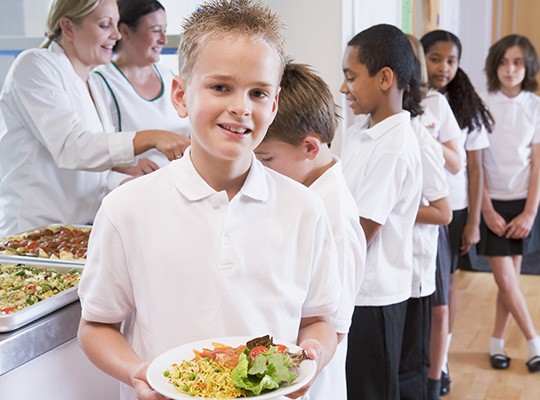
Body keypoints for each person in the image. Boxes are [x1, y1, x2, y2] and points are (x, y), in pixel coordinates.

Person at [77, 1, 341, 400]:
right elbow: (96, 326)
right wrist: (137, 371)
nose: (241, 107)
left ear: (274, 104)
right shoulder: (126, 209)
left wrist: (313, 358)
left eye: (258, 92)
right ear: (181, 96)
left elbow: (321, 319)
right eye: (221, 87)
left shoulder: (304, 208)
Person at [0, 0, 188, 237]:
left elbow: (93, 172)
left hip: (76, 230)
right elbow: (72, 147)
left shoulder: (92, 82)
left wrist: (144, 184)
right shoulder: (34, 65)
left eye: (116, 25)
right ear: (68, 28)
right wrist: (152, 138)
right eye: (104, 25)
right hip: (32, 231)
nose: (116, 34)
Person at [254, 61, 367, 400]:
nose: (258, 170)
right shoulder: (299, 194)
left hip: (311, 385)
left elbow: (334, 327)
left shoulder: (336, 219)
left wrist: (295, 369)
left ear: (310, 148)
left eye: (267, 159)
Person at [340, 23, 422, 399]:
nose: (344, 87)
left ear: (385, 78)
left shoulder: (393, 147)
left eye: (351, 77)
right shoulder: (363, 131)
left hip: (374, 299)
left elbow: (361, 232)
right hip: (354, 292)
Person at [421, 29, 494, 396]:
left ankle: (442, 361)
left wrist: (475, 222)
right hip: (422, 207)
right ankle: (427, 360)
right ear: (421, 58)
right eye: (435, 58)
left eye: (451, 60)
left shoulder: (467, 106)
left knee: (447, 291)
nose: (443, 67)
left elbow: (476, 169)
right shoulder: (415, 100)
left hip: (457, 209)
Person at [479, 34, 540, 373]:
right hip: (492, 202)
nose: (510, 69)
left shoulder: (535, 105)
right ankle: (534, 342)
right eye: (503, 62)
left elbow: (538, 164)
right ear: (495, 66)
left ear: (527, 66)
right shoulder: (484, 103)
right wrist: (486, 208)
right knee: (506, 278)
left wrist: (530, 212)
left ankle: (496, 343)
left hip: (523, 203)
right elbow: (478, 161)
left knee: (509, 280)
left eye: (517, 62)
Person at [407, 33, 462, 399]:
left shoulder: (436, 106)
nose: (441, 67)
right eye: (433, 58)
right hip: (404, 226)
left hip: (431, 219)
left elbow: (458, 163)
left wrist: (424, 141)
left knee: (439, 307)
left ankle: (434, 374)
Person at [93, 0, 190, 188]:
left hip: (178, 183)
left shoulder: (169, 77)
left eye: (164, 29)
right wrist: (124, 165)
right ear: (126, 32)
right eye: (155, 30)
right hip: (133, 187)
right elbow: (91, 149)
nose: (163, 39)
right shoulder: (101, 82)